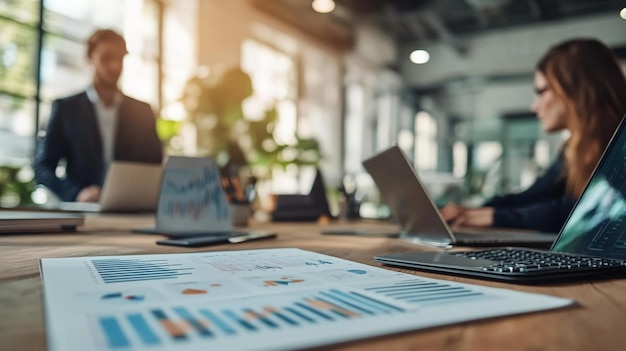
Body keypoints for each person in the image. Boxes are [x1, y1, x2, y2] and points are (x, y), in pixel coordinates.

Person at [441, 38, 626, 233]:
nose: (534, 106)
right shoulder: (574, 148)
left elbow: (586, 211)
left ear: (577, 89)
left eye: (541, 92)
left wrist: (491, 216)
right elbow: (535, 196)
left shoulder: (620, 145)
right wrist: (472, 212)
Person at [34, 29, 163, 202]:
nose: (115, 66)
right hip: (83, 212)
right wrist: (76, 193)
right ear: (89, 58)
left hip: (132, 209)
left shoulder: (142, 112)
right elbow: (42, 166)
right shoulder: (66, 109)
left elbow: (156, 165)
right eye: (106, 58)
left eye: (120, 58)